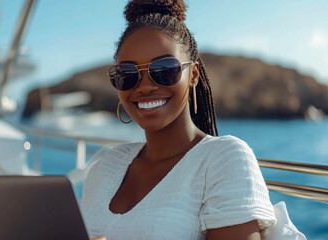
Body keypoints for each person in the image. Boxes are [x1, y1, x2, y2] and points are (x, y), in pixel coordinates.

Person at [81, 1, 304, 239]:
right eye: (127, 74)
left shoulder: (224, 159)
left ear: (193, 75)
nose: (145, 86)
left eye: (164, 69)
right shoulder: (105, 163)